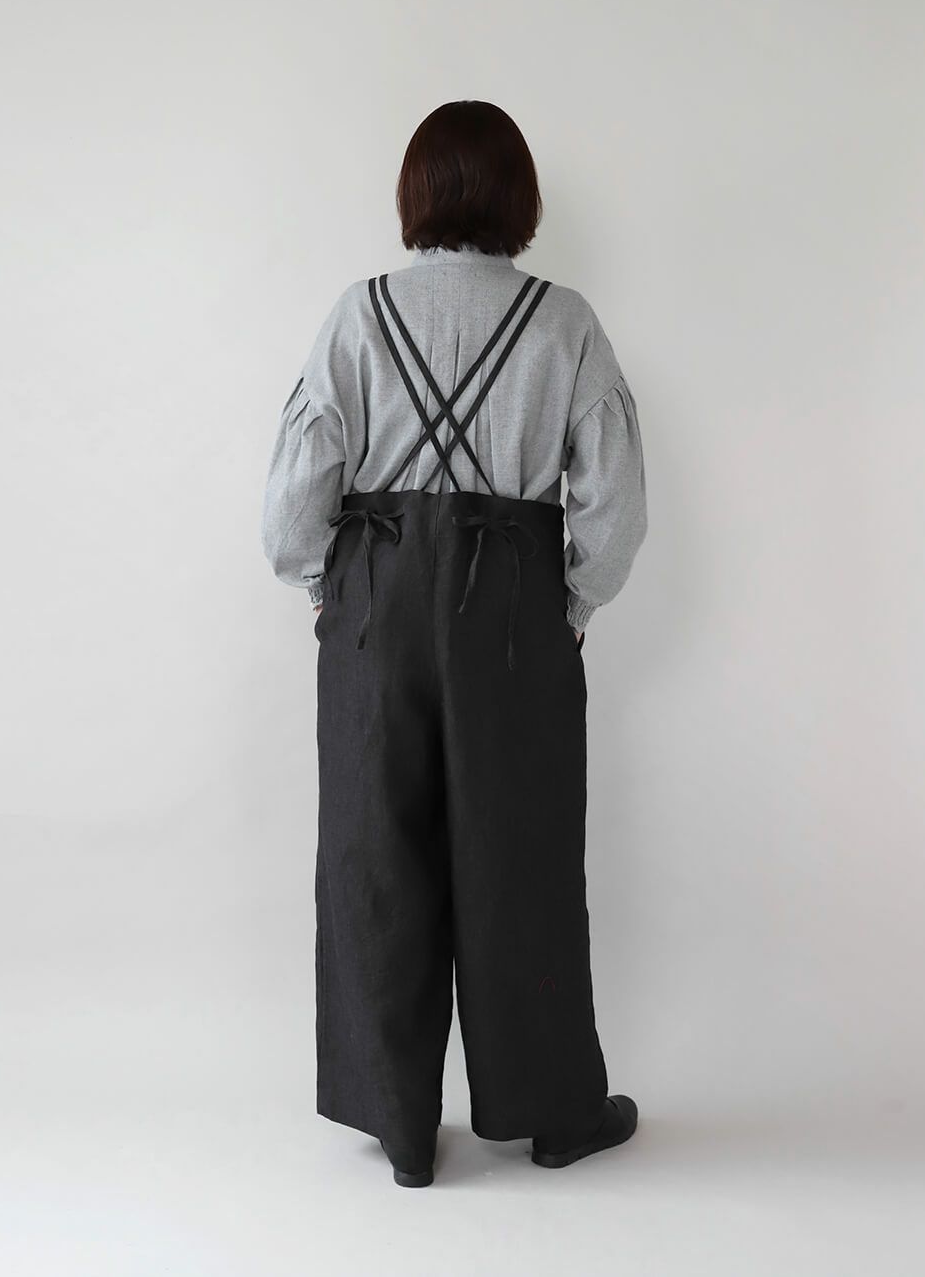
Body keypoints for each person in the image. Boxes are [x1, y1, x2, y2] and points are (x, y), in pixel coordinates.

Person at [261, 100, 648, 1188]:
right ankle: (553, 1113)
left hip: (375, 603)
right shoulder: (564, 323)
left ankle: (398, 1125)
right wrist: (570, 603)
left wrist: (332, 592)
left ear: (416, 194)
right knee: (520, 855)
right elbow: (614, 511)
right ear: (518, 197)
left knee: (375, 854)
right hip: (513, 605)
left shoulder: (357, 315)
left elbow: (289, 511)